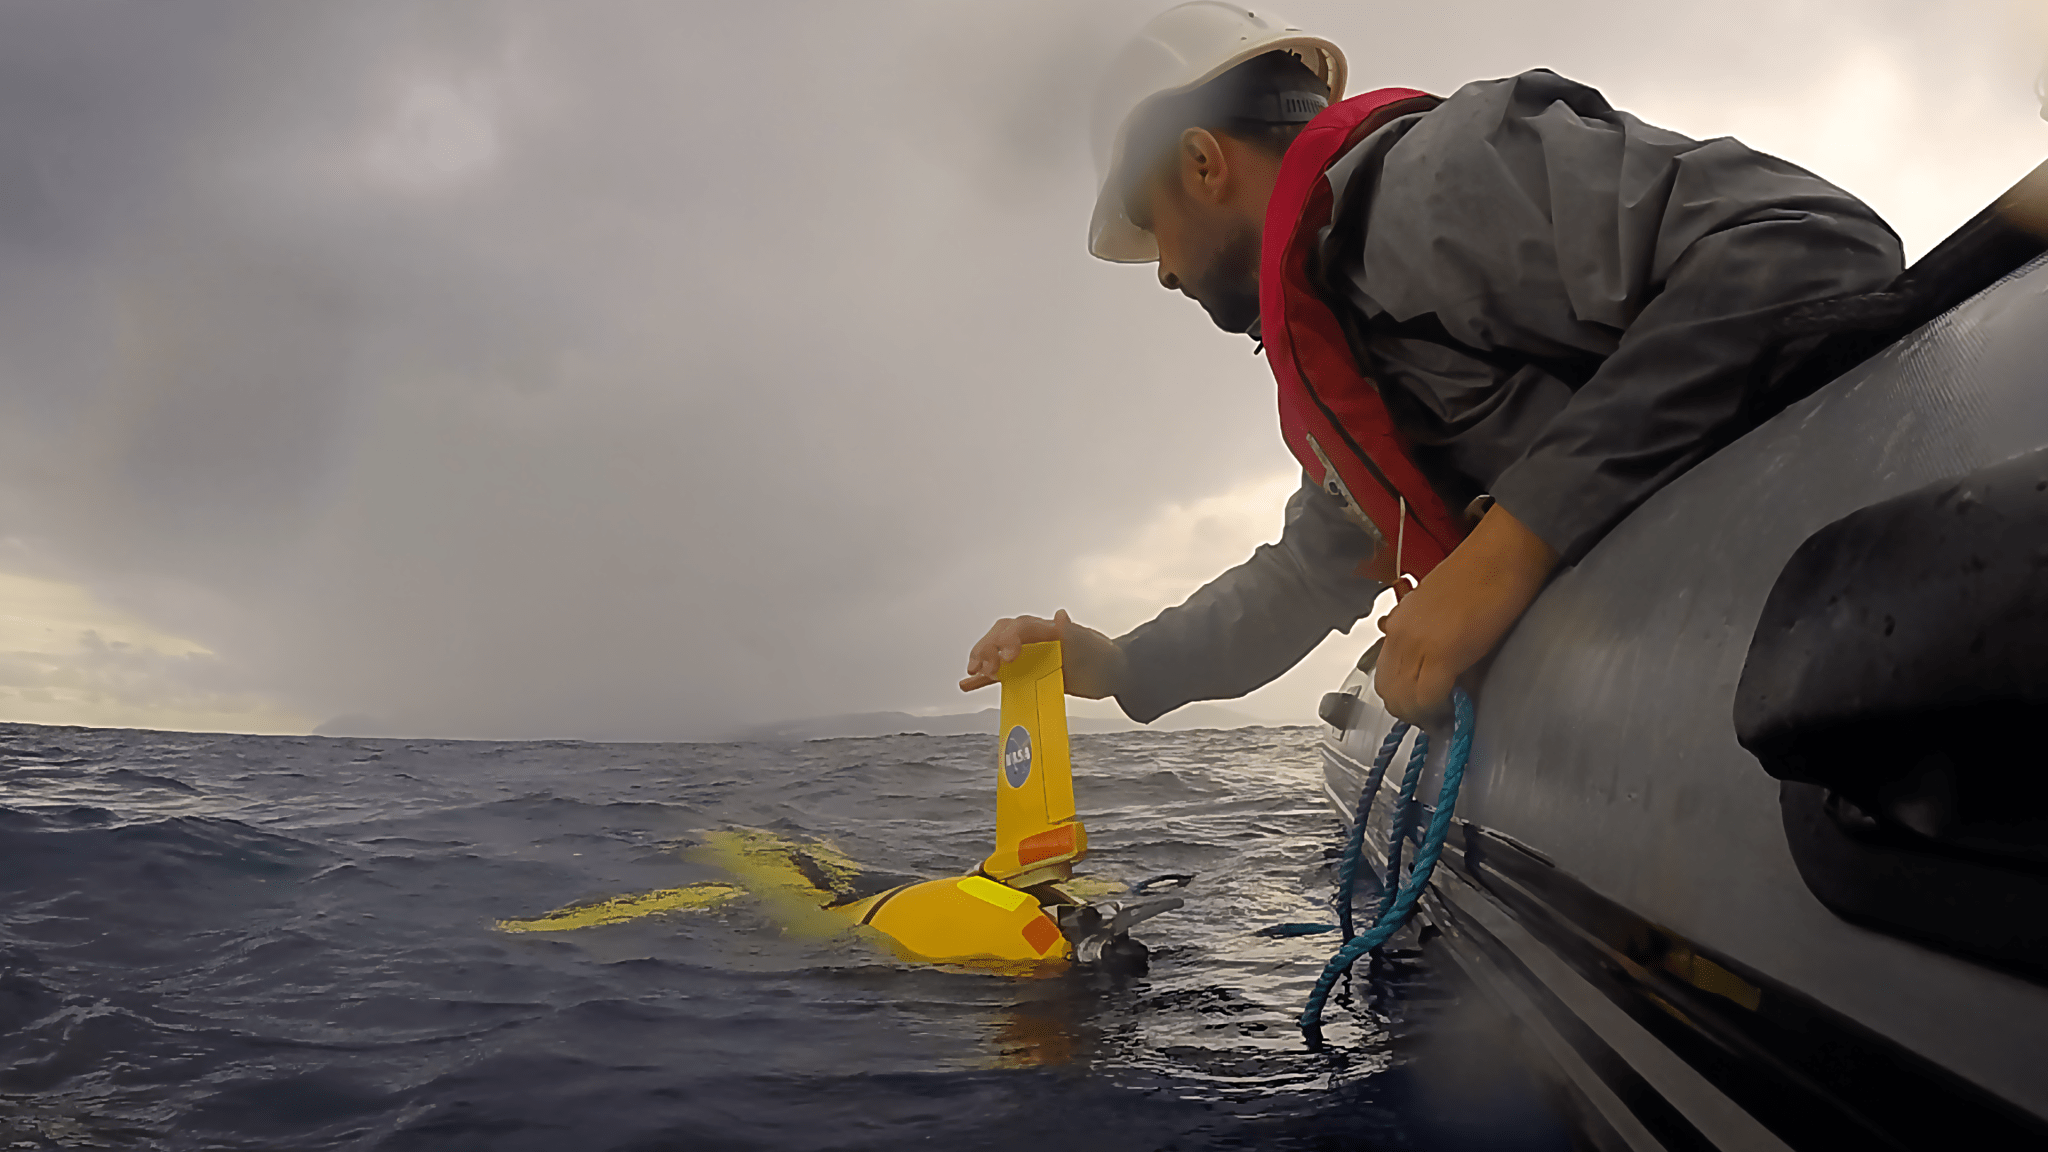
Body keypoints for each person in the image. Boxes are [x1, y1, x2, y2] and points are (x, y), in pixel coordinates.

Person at [961, 2, 1902, 727]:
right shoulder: (1349, 325)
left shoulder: (1434, 184)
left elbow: (1809, 245)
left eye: (1152, 232)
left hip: (1840, 626)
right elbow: (1310, 570)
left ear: (1205, 163)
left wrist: (1507, 549)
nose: (1162, 270)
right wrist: (1122, 664)